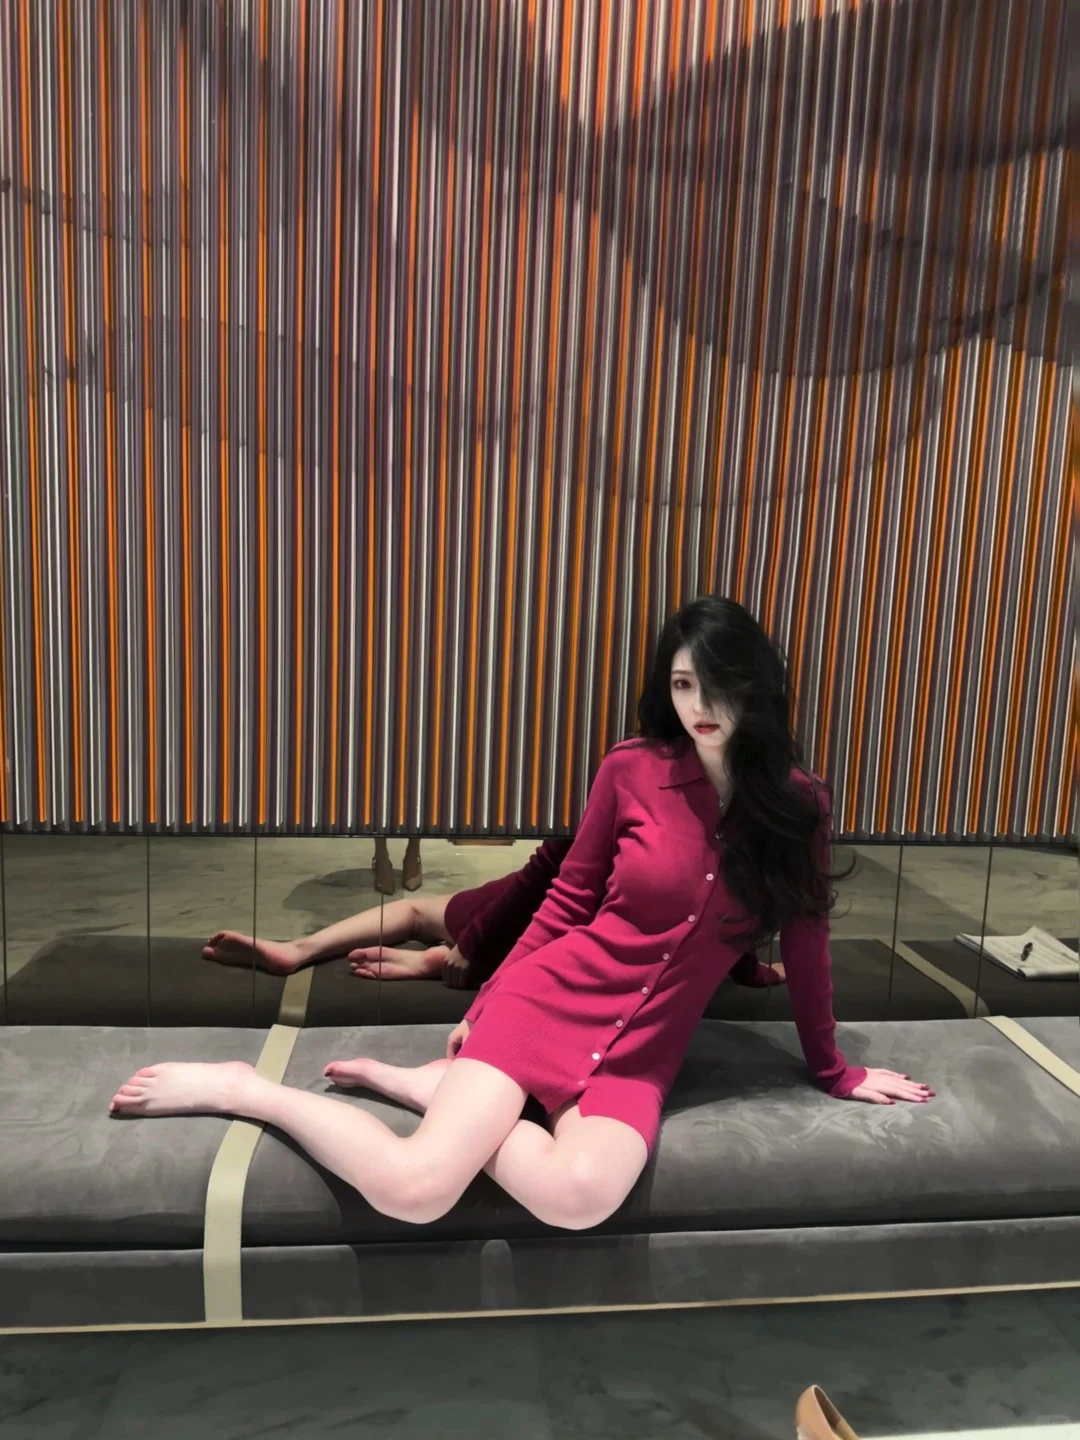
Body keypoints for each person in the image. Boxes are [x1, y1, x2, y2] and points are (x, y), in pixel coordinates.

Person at [110, 597, 932, 1233]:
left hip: (639, 1057)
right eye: (683, 684)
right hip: (545, 1006)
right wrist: (489, 1002)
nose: (699, 705)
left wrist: (836, 1069)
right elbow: (567, 899)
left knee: (579, 1198)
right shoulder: (631, 769)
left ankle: (438, 1094)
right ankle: (247, 1089)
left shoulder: (799, 804)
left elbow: (808, 941)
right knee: (417, 1189)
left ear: (757, 684)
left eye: (717, 683)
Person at [202, 835, 784, 992]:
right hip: (593, 949)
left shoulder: (639, 776)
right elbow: (722, 913)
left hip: (535, 929)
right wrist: (755, 973)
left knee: (415, 910)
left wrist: (471, 947)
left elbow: (540, 880)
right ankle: (439, 957)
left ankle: (298, 950)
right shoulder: (725, 830)